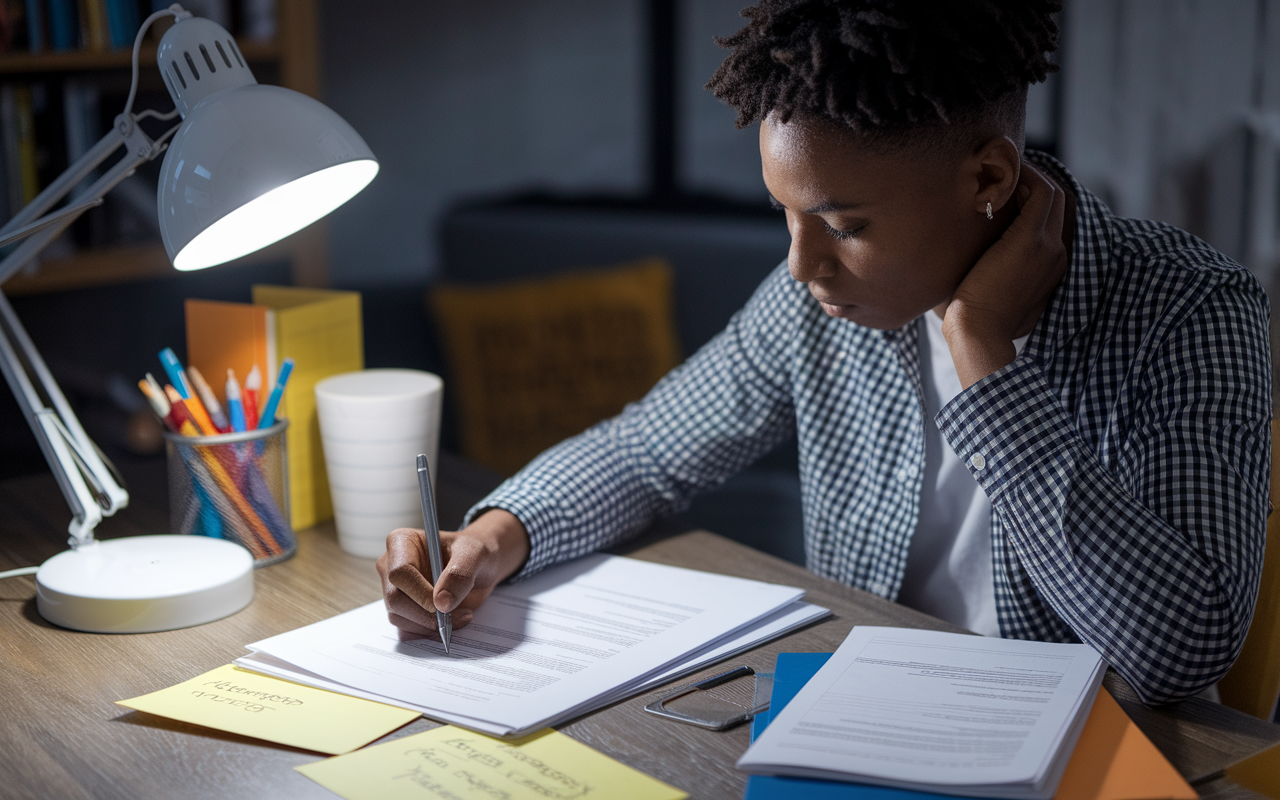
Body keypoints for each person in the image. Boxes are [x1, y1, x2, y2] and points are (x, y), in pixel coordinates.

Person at [379, 0, 1271, 705]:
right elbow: (647, 454)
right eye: (787, 215)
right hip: (861, 712)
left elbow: (1176, 659)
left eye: (844, 225)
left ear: (990, 180)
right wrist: (498, 534)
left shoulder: (1190, 311)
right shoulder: (822, 300)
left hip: (1085, 747)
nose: (802, 265)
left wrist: (983, 354)